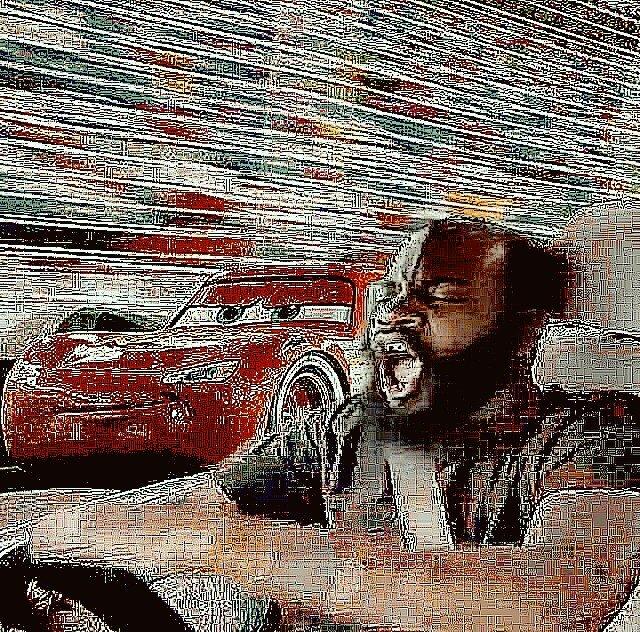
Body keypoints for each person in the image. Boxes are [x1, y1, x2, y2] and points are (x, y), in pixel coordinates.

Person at [7, 213, 640, 631]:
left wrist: (221, 544)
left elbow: (557, 597)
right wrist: (58, 529)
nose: (395, 316)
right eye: (392, 294)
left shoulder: (591, 439)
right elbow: (199, 501)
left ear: (523, 332)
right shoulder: (348, 429)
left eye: (440, 298)